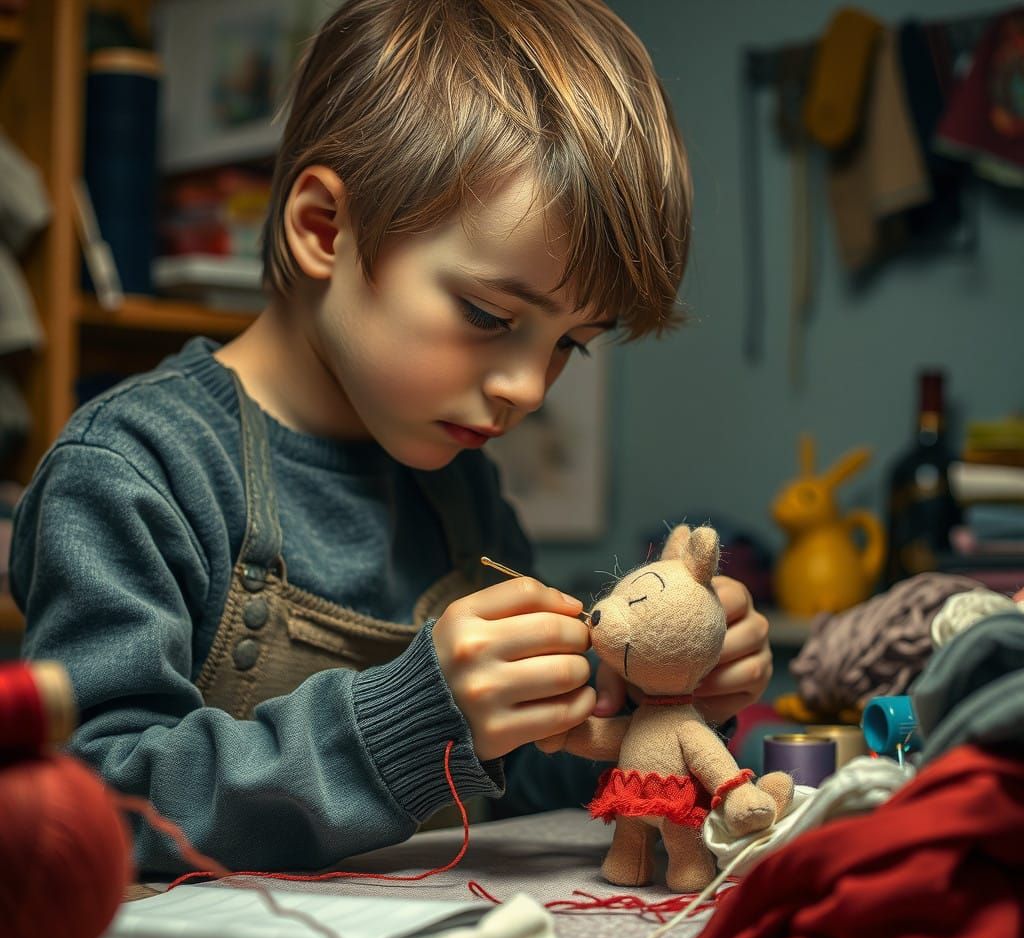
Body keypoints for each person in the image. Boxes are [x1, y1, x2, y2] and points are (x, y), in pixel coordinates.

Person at [10, 0, 771, 875]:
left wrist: (659, 705)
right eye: (490, 315)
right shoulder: (135, 473)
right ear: (324, 230)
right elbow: (88, 811)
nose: (528, 387)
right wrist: (408, 720)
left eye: (568, 343)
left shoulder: (459, 486)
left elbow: (519, 793)